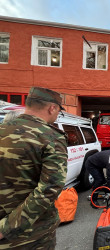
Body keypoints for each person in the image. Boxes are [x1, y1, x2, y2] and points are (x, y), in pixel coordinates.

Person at [0, 87, 68, 249]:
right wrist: (6, 228)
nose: (57, 114)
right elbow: (50, 188)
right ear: (52, 108)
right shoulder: (50, 137)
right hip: (31, 236)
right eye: (59, 110)